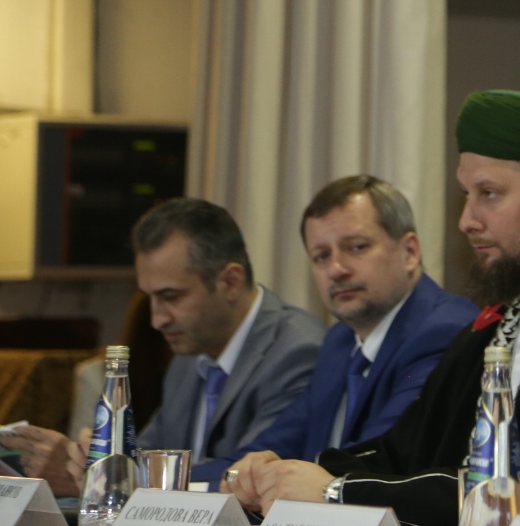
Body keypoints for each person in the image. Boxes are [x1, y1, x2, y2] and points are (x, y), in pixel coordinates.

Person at [230, 90, 520, 526]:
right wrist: (286, 474)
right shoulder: (496, 324)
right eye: (467, 195)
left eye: (489, 193)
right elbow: (404, 451)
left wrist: (336, 491)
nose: (467, 220)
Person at [5, 198, 325, 496]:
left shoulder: (297, 351)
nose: (157, 320)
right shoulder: (192, 350)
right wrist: (91, 459)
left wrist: (107, 474)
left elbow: (250, 474)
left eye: (171, 297)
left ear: (230, 282)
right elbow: (147, 453)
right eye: (150, 298)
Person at [195, 175, 477, 485]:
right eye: (321, 256)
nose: (335, 269)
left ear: (410, 252)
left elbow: (382, 458)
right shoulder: (339, 342)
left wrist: (272, 477)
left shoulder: (444, 332)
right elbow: (278, 443)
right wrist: (183, 480)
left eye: (356, 247)